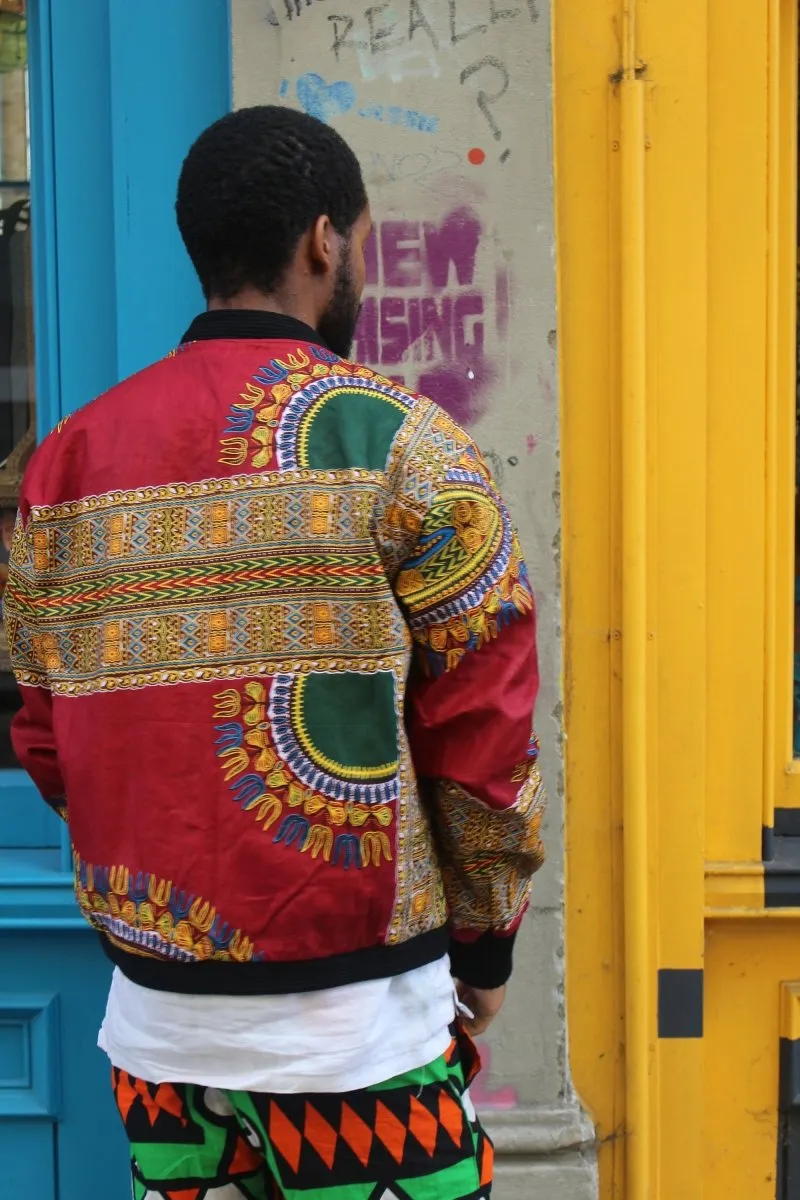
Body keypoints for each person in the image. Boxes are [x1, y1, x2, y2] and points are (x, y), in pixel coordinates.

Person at [4, 106, 546, 1200]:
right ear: (321, 243)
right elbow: (482, 733)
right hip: (361, 1045)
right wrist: (483, 949)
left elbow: (44, 726)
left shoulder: (66, 463)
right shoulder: (409, 448)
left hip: (159, 1042)